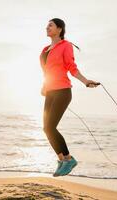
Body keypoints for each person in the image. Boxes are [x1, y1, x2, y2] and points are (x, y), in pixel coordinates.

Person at [39, 18, 100, 177]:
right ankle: (61, 160)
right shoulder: (44, 50)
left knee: (51, 127)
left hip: (63, 91)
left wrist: (86, 81)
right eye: (47, 25)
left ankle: (69, 159)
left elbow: (71, 67)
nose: (47, 27)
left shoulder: (65, 46)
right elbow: (47, 72)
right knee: (46, 128)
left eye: (50, 25)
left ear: (59, 29)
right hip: (51, 92)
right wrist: (44, 86)